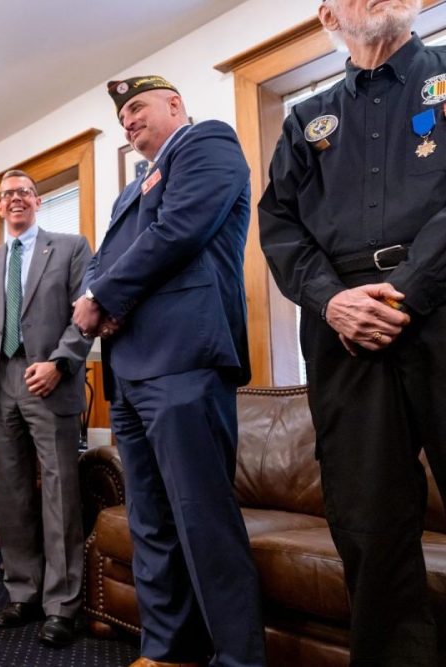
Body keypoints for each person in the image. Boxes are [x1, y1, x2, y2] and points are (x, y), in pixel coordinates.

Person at [259, 1, 445, 663]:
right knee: (369, 522)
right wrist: (332, 302)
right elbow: (278, 225)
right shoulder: (305, 119)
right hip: (342, 334)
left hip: (441, 303)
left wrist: (408, 290)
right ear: (327, 16)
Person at [73, 76, 265, 667]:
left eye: (137, 108)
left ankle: (237, 659)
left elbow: (178, 230)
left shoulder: (207, 141)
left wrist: (101, 295)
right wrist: (98, 300)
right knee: (150, 520)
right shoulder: (130, 190)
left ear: (175, 105)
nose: (128, 122)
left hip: (184, 358)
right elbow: (110, 261)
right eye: (122, 117)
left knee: (202, 517)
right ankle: (169, 650)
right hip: (129, 371)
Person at [0, 169, 91, 648]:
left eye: (23, 193)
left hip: (48, 380)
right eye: (7, 195)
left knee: (58, 491)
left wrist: (60, 363)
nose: (15, 200)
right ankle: (23, 591)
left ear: (37, 201)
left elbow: (85, 315)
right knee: (8, 492)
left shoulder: (70, 247)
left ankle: (62, 605)